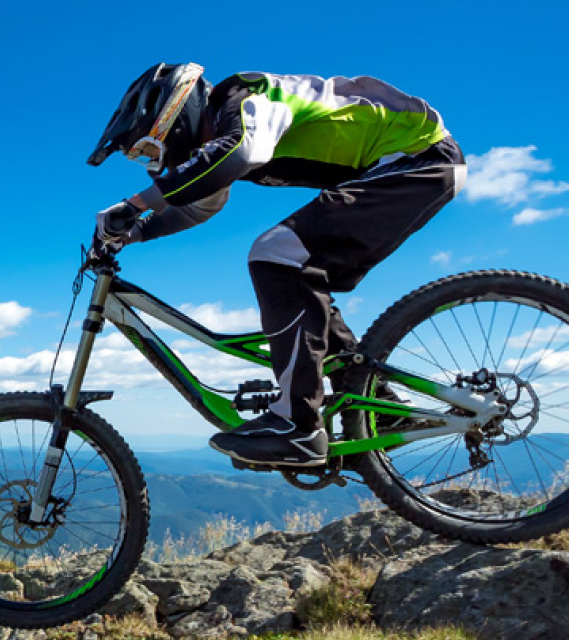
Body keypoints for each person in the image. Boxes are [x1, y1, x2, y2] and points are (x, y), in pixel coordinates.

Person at [86, 63, 466, 467]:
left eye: (150, 147)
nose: (155, 161)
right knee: (299, 275)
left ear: (173, 114)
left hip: (416, 157)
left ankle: (297, 426)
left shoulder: (242, 99)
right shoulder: (226, 135)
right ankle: (383, 409)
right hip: (405, 166)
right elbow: (198, 206)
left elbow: (236, 154)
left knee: (276, 254)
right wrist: (137, 231)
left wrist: (137, 203)